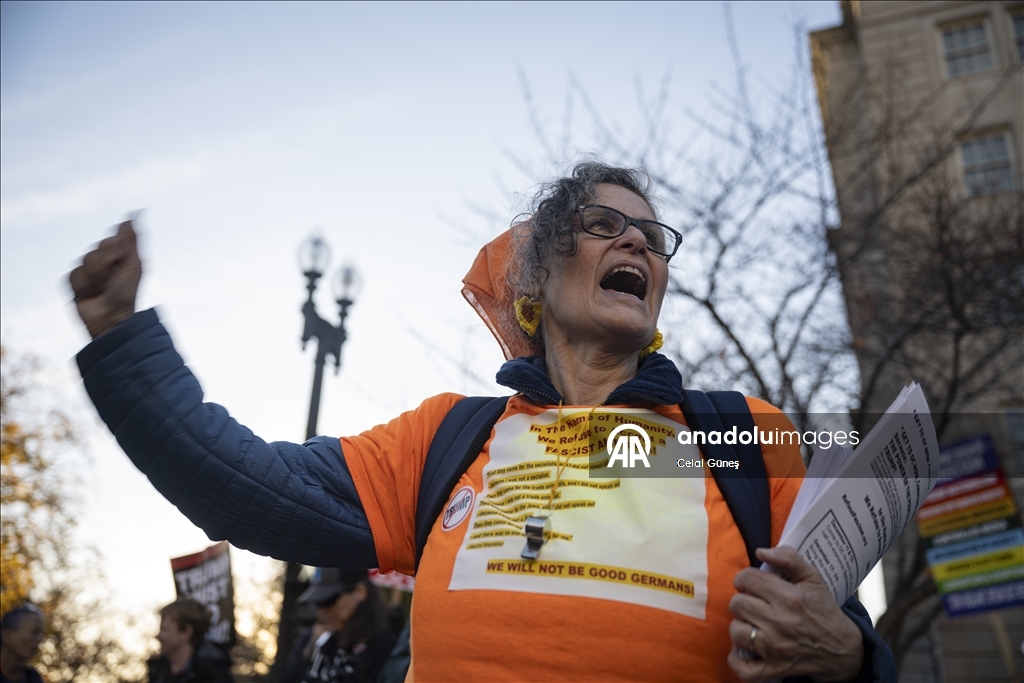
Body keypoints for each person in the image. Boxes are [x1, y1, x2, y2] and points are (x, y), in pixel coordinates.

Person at [70, 161, 895, 681]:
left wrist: (852, 658)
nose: (638, 243)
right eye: (604, 225)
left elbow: (838, 640)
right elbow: (246, 486)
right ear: (534, 280)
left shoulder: (748, 435)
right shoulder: (446, 441)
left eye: (652, 235)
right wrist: (120, 337)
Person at [278, 569, 396, 683]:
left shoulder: (384, 646)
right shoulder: (315, 638)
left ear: (360, 591)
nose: (323, 611)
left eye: (329, 600)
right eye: (317, 603)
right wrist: (308, 652)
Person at [148, 599, 233, 683]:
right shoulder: (158, 673)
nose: (158, 636)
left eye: (164, 629)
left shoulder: (214, 676)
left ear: (186, 632)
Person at [0, 605, 45, 683]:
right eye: (34, 631)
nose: (40, 639)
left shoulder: (32, 677)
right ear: (7, 636)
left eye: (41, 633)